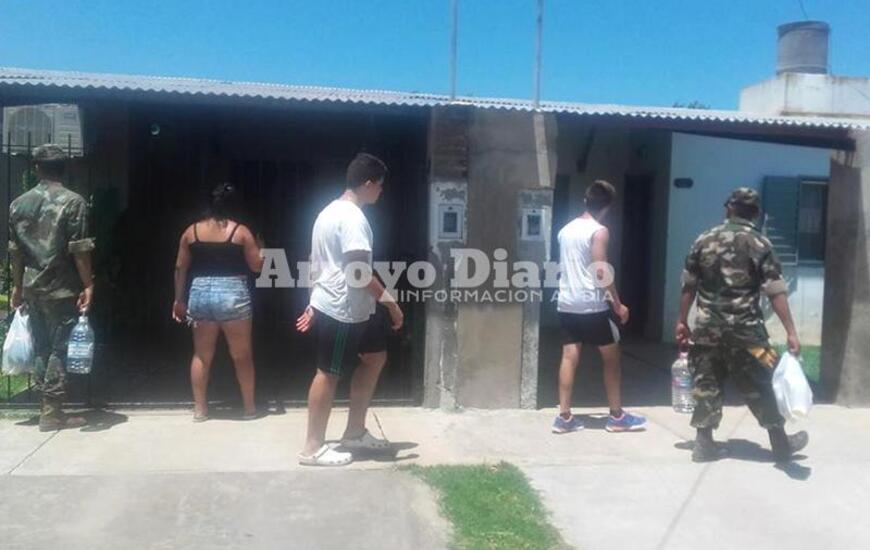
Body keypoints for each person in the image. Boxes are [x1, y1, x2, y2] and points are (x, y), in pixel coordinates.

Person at [676, 187, 808, 463]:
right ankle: (780, 443)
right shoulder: (761, 244)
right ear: (756, 213)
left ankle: (703, 444)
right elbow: (775, 290)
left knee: (706, 383)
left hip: (706, 332)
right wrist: (791, 332)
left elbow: (689, 285)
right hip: (750, 335)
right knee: (767, 379)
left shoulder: (703, 240)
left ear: (728, 208)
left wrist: (681, 321)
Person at [296, 152, 403, 467]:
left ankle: (354, 432)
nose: (381, 191)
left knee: (375, 357)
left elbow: (314, 260)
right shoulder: (354, 218)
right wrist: (392, 305)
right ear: (368, 183)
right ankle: (312, 448)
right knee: (328, 374)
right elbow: (358, 272)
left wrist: (312, 299)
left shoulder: (327, 212)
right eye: (380, 186)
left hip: (351, 306)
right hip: (342, 308)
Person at [8, 144, 94, 431]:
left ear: (36, 169)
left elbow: (15, 251)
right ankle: (52, 410)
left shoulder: (19, 204)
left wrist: (17, 287)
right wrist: (88, 284)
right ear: (64, 168)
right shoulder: (74, 202)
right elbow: (79, 250)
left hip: (33, 287)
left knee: (42, 346)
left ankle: (46, 404)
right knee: (60, 347)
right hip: (62, 287)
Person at [552, 180, 647, 434]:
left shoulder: (565, 230)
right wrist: (617, 304)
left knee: (569, 356)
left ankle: (564, 417)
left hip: (566, 302)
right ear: (608, 206)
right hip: (592, 305)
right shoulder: (599, 231)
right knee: (611, 357)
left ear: (585, 201)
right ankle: (616, 417)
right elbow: (600, 270)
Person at [172, 183, 264, 421]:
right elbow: (257, 266)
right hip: (232, 292)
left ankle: (200, 410)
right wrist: (261, 247)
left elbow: (181, 268)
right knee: (241, 355)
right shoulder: (241, 231)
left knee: (201, 355)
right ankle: (249, 409)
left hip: (199, 292)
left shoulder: (190, 232)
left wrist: (178, 300)